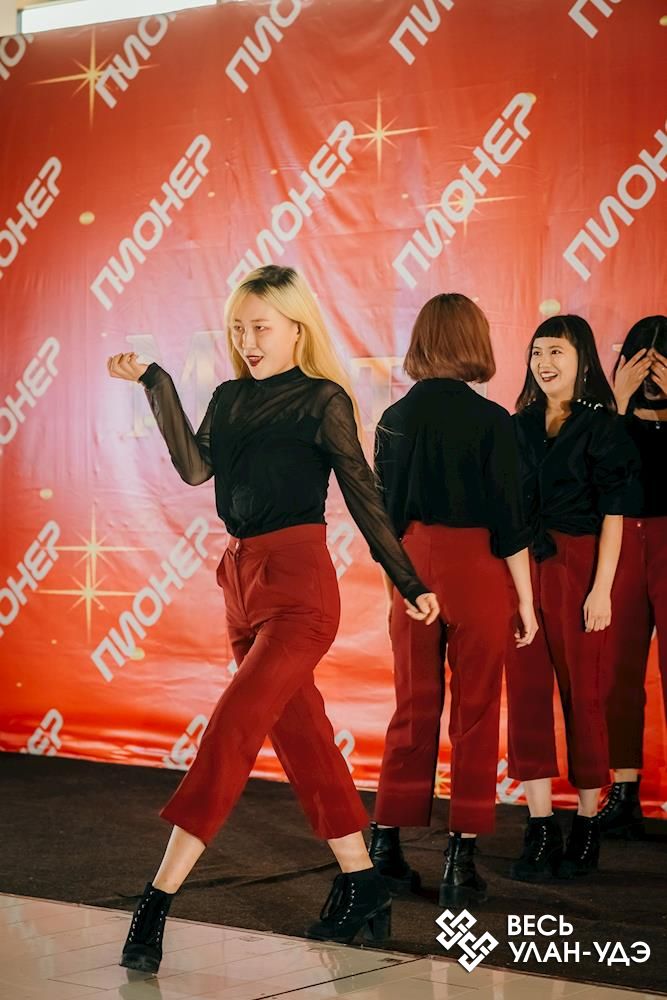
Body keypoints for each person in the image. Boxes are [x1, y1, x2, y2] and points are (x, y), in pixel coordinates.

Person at [106, 265, 439, 972]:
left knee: (232, 730)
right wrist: (156, 382)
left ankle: (156, 901)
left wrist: (408, 579)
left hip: (299, 590)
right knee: (303, 736)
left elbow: (363, 494)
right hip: (239, 582)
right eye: (238, 328)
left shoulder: (322, 400)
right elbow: (196, 469)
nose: (248, 340)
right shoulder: (228, 397)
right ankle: (362, 882)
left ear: (296, 328)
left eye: (261, 326)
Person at [369, 293, 537, 907]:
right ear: (474, 341)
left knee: (412, 707)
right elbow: (511, 520)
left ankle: (384, 847)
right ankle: (459, 862)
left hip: (412, 564)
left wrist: (396, 589)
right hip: (479, 566)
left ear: (422, 341)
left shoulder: (393, 417)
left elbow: (381, 520)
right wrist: (526, 602)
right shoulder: (495, 421)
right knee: (476, 710)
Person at [506, 315, 640, 883]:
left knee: (583, 695)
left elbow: (614, 513)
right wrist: (518, 590)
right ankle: (540, 825)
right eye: (537, 351)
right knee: (526, 694)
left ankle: (586, 823)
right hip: (520, 567)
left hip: (580, 567)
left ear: (582, 358)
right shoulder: (515, 426)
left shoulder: (602, 427)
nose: (544, 362)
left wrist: (602, 588)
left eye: (556, 351)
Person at [598, 316, 667, 838]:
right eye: (642, 361)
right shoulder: (606, 420)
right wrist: (618, 406)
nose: (651, 373)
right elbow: (596, 475)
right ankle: (623, 791)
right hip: (620, 546)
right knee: (618, 673)